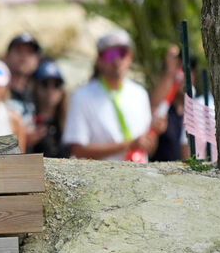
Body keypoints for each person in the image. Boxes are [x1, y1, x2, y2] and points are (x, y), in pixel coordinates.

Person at [62, 29, 157, 161]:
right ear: (99, 60)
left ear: (129, 57)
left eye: (122, 53)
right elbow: (77, 150)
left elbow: (148, 147)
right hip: (100, 180)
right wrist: (128, 145)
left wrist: (153, 135)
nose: (116, 60)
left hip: (141, 176)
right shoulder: (80, 96)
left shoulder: (141, 94)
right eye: (110, 54)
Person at [26, 59, 70, 158]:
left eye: (56, 85)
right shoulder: (27, 119)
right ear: (35, 87)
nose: (50, 90)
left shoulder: (69, 121)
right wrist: (25, 141)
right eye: (45, 84)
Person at [4, 32, 41, 126]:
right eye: (18, 51)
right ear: (7, 56)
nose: (23, 56)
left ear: (36, 61)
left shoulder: (39, 93)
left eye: (29, 52)